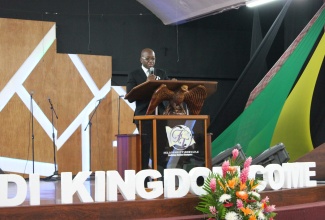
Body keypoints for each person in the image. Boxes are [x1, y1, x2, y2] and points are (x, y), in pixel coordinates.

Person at [126, 48, 170, 172]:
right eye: (148, 59)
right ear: (141, 59)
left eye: (153, 59)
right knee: (145, 148)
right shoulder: (134, 74)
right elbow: (130, 95)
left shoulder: (161, 72)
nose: (151, 61)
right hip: (144, 117)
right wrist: (147, 83)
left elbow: (169, 90)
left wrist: (172, 83)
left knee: (161, 148)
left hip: (160, 116)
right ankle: (144, 179)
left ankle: (161, 177)